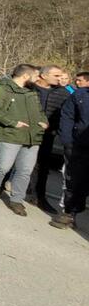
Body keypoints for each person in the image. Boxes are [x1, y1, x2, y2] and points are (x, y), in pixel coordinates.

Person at [0, 64, 49, 216]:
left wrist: (44, 122)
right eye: (36, 76)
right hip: (11, 135)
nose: (38, 79)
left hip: (32, 137)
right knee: (2, 166)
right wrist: (12, 122)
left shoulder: (32, 92)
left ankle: (17, 200)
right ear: (25, 76)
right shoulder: (1, 89)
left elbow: (40, 111)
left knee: (25, 171)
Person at [27, 65, 70, 213]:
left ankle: (38, 196)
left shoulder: (63, 93)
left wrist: (55, 129)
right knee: (16, 161)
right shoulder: (30, 88)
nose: (60, 79)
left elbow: (65, 115)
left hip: (47, 135)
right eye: (56, 76)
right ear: (44, 76)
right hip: (25, 130)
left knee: (42, 166)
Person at [52, 73, 89, 229]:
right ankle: (69, 214)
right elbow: (67, 116)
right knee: (75, 181)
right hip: (79, 146)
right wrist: (67, 141)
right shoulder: (80, 94)